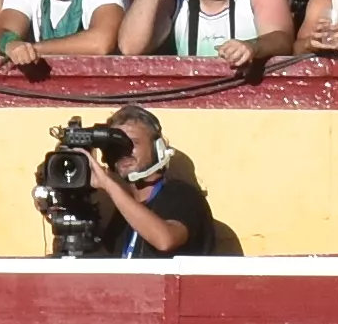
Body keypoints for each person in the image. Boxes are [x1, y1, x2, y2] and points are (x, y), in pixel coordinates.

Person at [54, 103, 241, 259]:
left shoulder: (183, 196)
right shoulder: (123, 214)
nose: (124, 152)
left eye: (133, 143)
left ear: (157, 147)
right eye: (116, 145)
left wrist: (108, 184)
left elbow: (165, 240)